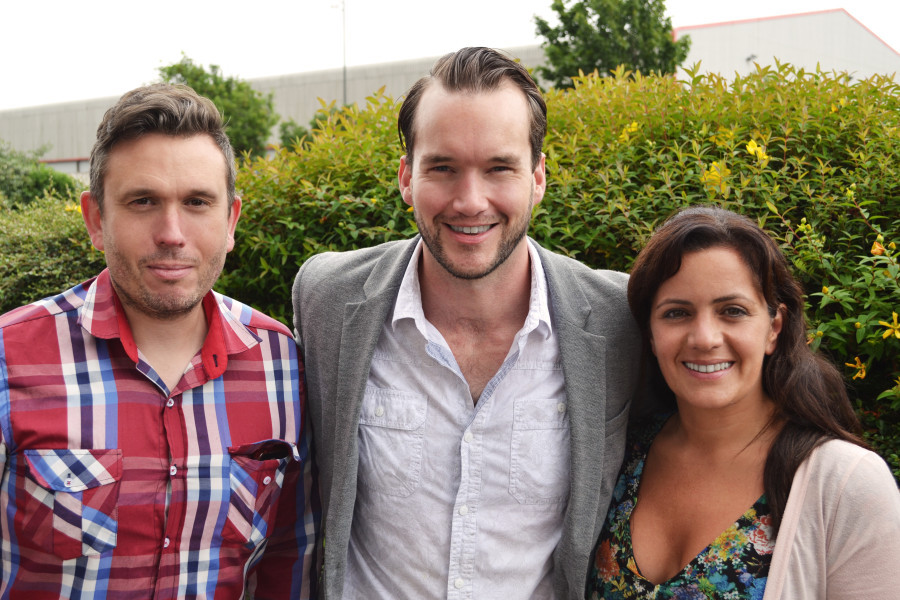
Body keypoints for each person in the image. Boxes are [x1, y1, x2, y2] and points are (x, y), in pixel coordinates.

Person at [292, 47, 642, 599]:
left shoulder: (618, 319)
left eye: (499, 167)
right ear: (408, 177)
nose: (470, 200)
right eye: (443, 168)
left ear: (538, 178)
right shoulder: (328, 300)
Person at [0, 83, 319, 598]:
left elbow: (287, 559)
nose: (172, 232)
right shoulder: (9, 358)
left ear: (231, 219)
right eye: (143, 201)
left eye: (197, 202)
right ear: (96, 220)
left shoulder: (281, 364)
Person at [588, 205, 900, 599]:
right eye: (676, 313)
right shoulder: (621, 452)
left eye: (732, 311)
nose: (704, 338)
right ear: (650, 334)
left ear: (774, 328)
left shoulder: (847, 485)